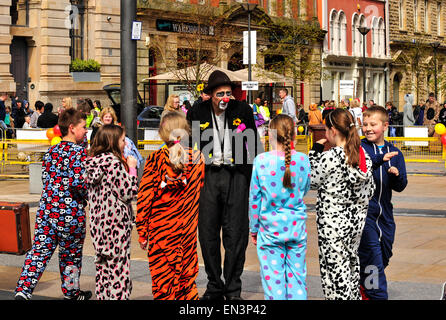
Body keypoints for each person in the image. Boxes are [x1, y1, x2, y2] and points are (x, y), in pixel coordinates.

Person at [186, 70, 263, 300]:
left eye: (229, 93)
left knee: (236, 233)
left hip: (236, 176)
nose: (225, 98)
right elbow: (187, 145)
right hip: (207, 176)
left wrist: (254, 178)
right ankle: (214, 285)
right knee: (208, 233)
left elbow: (253, 145)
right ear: (210, 94)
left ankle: (233, 288)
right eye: (220, 93)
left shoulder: (243, 110)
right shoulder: (197, 112)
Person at [14, 108, 91, 300]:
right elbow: (79, 183)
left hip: (47, 211)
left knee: (39, 252)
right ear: (72, 128)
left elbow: (45, 178)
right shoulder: (80, 153)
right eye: (84, 127)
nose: (87, 131)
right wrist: (89, 195)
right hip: (70, 214)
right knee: (70, 257)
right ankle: (71, 292)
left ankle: (23, 290)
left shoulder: (51, 151)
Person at [136, 112, 205, 300]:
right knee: (187, 282)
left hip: (162, 233)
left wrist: (142, 232)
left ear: (162, 133)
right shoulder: (198, 158)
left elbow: (145, 198)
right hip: (187, 233)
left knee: (163, 284)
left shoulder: (155, 160)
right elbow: (200, 189)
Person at [309, 108, 375, 300]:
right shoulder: (362, 155)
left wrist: (315, 151)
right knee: (352, 271)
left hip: (332, 228)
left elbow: (310, 180)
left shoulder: (331, 157)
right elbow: (370, 190)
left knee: (334, 277)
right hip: (355, 226)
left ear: (333, 131)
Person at [249, 114, 310, 300]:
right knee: (297, 279)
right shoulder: (303, 160)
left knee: (274, 282)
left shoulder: (261, 161)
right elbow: (305, 189)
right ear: (293, 136)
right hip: (296, 228)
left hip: (269, 230)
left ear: (270, 133)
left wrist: (254, 228)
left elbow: (254, 199)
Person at [359, 106, 408, 300]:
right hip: (365, 213)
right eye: (364, 124)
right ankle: (373, 294)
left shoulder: (394, 152)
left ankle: (363, 283)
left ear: (385, 126)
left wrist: (396, 176)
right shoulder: (359, 148)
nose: (368, 128)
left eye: (373, 124)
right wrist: (379, 160)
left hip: (385, 214)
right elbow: (359, 168)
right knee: (372, 257)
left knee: (384, 254)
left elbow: (401, 185)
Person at [86, 124, 138, 300]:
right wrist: (132, 168)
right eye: (123, 140)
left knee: (103, 270)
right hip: (116, 226)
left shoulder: (92, 163)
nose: (125, 144)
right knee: (119, 271)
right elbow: (128, 192)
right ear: (113, 142)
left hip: (98, 226)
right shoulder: (114, 164)